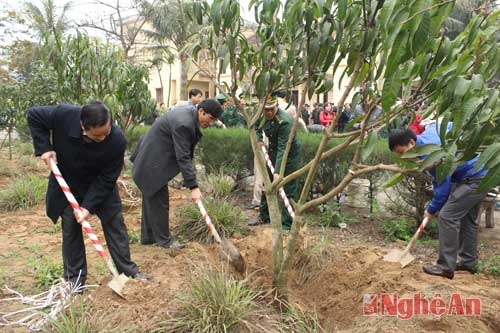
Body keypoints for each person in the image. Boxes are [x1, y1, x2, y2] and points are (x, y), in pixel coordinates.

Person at [27, 102, 151, 288]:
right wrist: (44, 147)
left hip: (100, 185)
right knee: (70, 226)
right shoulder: (64, 115)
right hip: (68, 183)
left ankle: (128, 272)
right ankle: (75, 280)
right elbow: (34, 115)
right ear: (83, 127)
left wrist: (87, 207)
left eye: (106, 132)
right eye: (97, 135)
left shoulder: (117, 140)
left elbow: (108, 178)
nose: (103, 137)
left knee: (115, 224)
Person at [388, 126, 489, 279]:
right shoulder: (428, 137)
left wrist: (432, 209)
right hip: (478, 173)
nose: (403, 157)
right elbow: (449, 125)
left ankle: (445, 266)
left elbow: (442, 187)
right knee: (468, 220)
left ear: (411, 142)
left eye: (402, 152)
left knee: (448, 216)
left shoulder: (431, 154)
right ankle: (468, 263)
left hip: (475, 178)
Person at [131, 100, 223, 248]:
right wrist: (193, 186)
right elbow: (183, 156)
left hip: (152, 158)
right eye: (211, 118)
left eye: (215, 120)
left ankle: (148, 237)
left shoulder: (188, 115)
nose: (211, 123)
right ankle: (165, 241)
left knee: (152, 197)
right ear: (201, 111)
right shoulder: (184, 124)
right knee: (160, 200)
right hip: (152, 161)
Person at [248, 96, 301, 230]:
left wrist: (277, 171)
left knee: (287, 189)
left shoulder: (284, 122)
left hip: (288, 156)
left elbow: (283, 148)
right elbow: (256, 127)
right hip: (273, 151)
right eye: (266, 110)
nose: (269, 113)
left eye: (272, 109)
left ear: (277, 107)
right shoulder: (263, 115)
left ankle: (287, 225)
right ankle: (264, 216)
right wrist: (260, 139)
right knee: (268, 184)